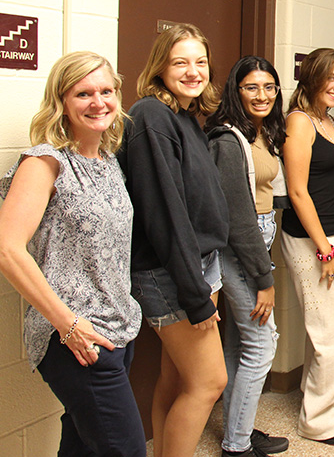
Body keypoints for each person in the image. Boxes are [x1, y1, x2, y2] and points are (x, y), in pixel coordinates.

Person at [0, 51, 145, 456]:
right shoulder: (45, 162)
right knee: (126, 450)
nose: (99, 102)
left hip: (117, 329)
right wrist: (68, 324)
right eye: (83, 93)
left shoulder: (108, 160)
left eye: (107, 91)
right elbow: (5, 249)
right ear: (61, 101)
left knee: (83, 446)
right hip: (76, 338)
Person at [117, 23, 229, 457]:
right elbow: (165, 215)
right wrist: (195, 294)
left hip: (199, 264)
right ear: (159, 66)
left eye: (200, 61)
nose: (192, 71)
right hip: (172, 271)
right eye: (180, 62)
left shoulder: (184, 117)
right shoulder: (151, 116)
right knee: (208, 382)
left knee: (179, 378)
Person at [205, 56, 288, 456]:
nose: (262, 95)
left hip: (257, 240)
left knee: (240, 344)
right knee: (262, 344)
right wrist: (265, 280)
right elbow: (237, 218)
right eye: (251, 87)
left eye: (269, 87)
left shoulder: (261, 132)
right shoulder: (228, 139)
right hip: (240, 248)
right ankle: (236, 446)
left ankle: (238, 429)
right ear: (236, 91)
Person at [280, 48, 334, 446]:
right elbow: (297, 191)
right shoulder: (299, 122)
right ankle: (317, 422)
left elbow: (328, 180)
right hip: (313, 241)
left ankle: (329, 407)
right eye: (331, 77)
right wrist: (325, 250)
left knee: (333, 328)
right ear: (311, 77)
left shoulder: (327, 119)